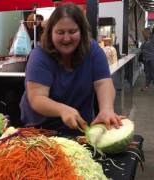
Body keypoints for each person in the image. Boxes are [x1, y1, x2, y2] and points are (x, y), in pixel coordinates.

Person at [19, 3, 123, 136]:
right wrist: (62, 110)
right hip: (41, 131)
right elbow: (37, 98)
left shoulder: (93, 50)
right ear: (50, 32)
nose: (66, 38)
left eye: (72, 31)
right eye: (60, 32)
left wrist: (107, 109)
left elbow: (103, 83)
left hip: (80, 128)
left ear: (82, 31)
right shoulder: (39, 55)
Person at [140, 27, 154, 91]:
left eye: (143, 34)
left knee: (152, 73)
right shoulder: (145, 40)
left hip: (152, 59)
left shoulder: (152, 38)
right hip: (145, 59)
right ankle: (146, 86)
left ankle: (148, 85)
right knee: (147, 73)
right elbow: (141, 48)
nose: (143, 35)